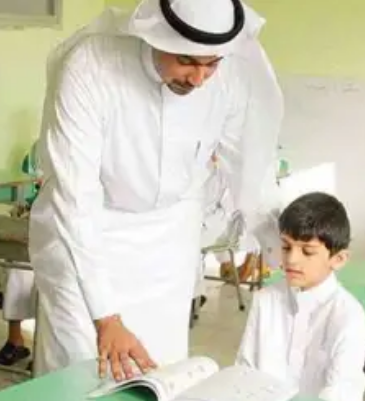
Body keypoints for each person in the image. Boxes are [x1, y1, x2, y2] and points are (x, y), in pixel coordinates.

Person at [29, 0, 283, 380]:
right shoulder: (91, 65)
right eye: (186, 61)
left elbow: (250, 169)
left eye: (211, 64)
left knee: (160, 372)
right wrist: (106, 317)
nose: (199, 78)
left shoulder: (232, 77)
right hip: (88, 237)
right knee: (80, 369)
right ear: (154, 36)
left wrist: (284, 247)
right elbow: (75, 197)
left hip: (168, 248)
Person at [236, 192, 365, 401]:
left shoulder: (349, 319)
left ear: (338, 259)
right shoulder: (265, 301)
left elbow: (340, 393)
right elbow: (243, 374)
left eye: (307, 251)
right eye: (286, 246)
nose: (292, 259)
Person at [0, 141, 40, 367]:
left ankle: (44, 349)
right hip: (39, 222)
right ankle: (15, 340)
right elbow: (34, 178)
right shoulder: (40, 147)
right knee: (17, 269)